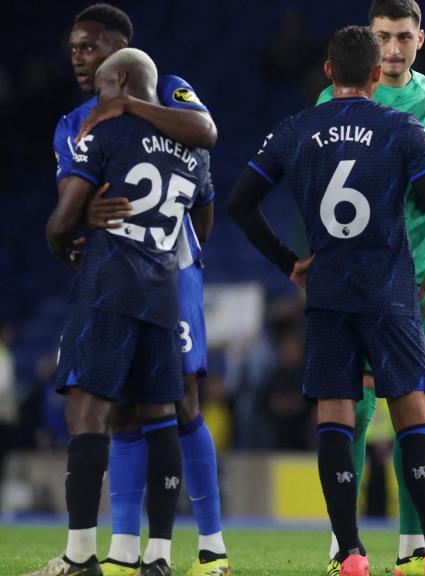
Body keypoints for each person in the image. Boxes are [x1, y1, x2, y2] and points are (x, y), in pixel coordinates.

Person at [227, 25, 425, 576]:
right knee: (412, 418)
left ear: (328, 72)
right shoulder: (402, 128)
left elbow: (241, 203)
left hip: (328, 294)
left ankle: (350, 552)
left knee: (336, 419)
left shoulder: (296, 129)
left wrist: (290, 262)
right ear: (377, 74)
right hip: (389, 294)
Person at [52, 5, 228, 576]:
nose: (79, 58)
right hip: (125, 268)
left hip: (172, 271)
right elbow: (79, 204)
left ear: (119, 49)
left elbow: (206, 132)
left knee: (182, 405)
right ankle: (130, 550)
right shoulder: (70, 122)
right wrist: (86, 220)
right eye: (73, 49)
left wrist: (127, 106)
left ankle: (212, 544)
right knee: (127, 410)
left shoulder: (169, 89)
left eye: (89, 47)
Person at [314, 3, 425, 572]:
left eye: (404, 36)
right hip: (359, 278)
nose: (394, 48)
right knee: (351, 405)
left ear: (420, 38)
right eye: (383, 37)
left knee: (419, 407)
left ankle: (416, 542)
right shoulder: (339, 100)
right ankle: (344, 538)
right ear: (370, 40)